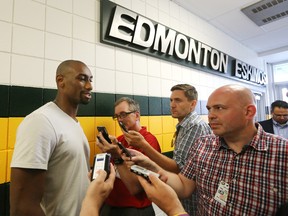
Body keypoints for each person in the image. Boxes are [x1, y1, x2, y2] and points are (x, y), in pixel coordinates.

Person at [131, 84, 288, 215]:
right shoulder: (203, 145)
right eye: (209, 109)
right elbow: (184, 185)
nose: (211, 116)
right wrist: (151, 167)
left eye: (219, 108)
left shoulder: (282, 153)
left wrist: (174, 209)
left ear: (248, 112)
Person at [10, 60, 93, 216]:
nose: (89, 86)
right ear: (60, 81)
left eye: (90, 79)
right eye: (82, 78)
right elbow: (22, 207)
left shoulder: (73, 123)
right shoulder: (41, 121)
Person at [123, 84, 212, 215]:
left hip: (194, 203)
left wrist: (144, 145)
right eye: (171, 100)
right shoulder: (184, 126)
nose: (172, 105)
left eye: (178, 100)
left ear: (193, 104)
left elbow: (179, 168)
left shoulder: (194, 126)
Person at [96, 97, 161, 216]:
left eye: (123, 114)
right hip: (111, 204)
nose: (120, 120)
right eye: (117, 116)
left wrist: (116, 155)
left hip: (134, 207)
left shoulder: (149, 142)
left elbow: (136, 188)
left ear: (137, 115)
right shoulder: (119, 140)